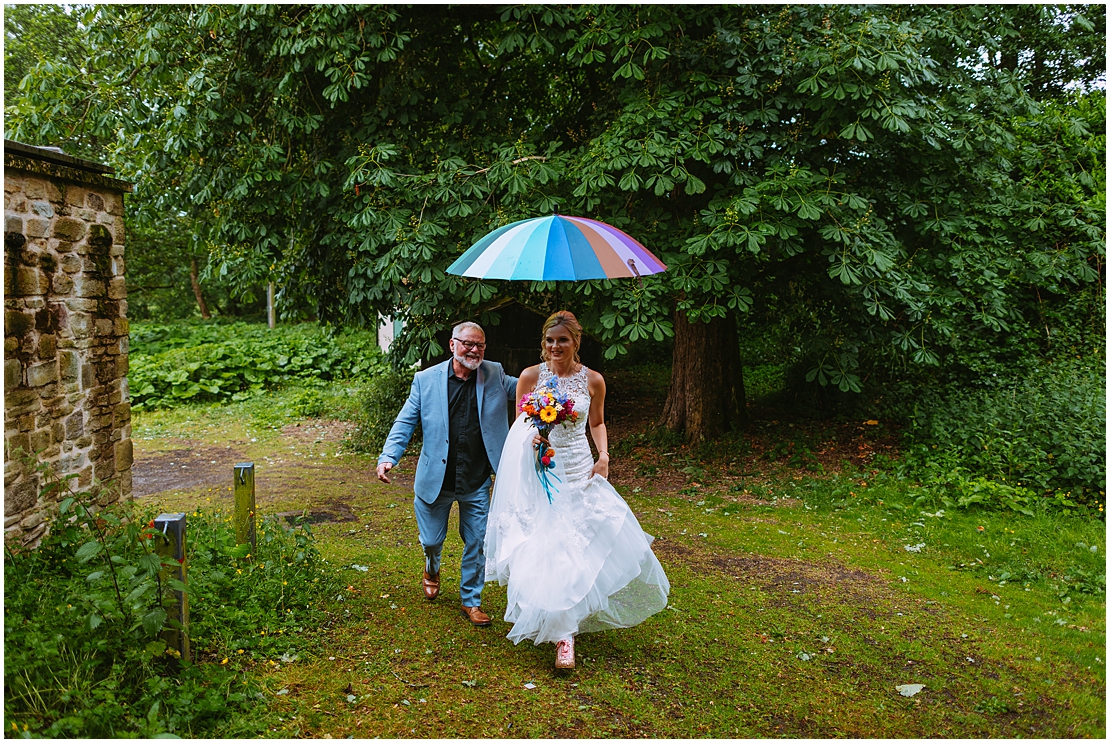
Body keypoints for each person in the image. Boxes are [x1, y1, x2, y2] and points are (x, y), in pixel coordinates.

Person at [484, 311, 670, 669]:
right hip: (542, 468)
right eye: (550, 340)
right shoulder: (530, 377)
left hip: (580, 466)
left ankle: (566, 620)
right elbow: (519, 425)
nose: (556, 346)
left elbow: (597, 422)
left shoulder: (594, 381)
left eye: (563, 340)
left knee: (581, 542)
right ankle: (563, 634)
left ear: (576, 343)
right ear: (543, 344)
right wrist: (533, 436)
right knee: (548, 544)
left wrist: (604, 457)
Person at [377, 321, 517, 627]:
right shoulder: (425, 380)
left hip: (476, 478)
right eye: (467, 343)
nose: (474, 350)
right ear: (452, 345)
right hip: (435, 480)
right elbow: (405, 422)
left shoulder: (494, 373)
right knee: (430, 541)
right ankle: (431, 567)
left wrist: (558, 373)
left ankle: (471, 601)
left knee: (477, 541)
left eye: (480, 345)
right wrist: (389, 457)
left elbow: (526, 388)